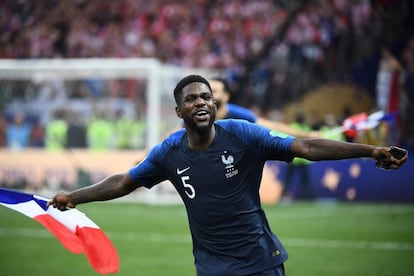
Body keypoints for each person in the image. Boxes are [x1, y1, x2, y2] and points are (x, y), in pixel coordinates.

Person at [48, 74, 408, 276]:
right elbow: (125, 182)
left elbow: (306, 148)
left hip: (260, 263)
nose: (201, 102)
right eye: (192, 99)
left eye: (207, 97)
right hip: (212, 270)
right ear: (178, 110)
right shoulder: (168, 153)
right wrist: (74, 196)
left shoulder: (244, 135)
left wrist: (371, 149)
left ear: (216, 105)